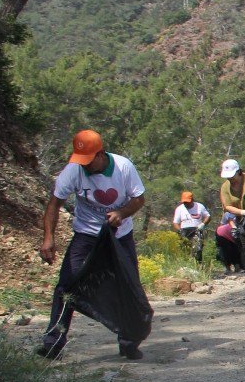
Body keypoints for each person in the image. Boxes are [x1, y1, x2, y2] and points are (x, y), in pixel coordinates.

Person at [38, 130, 146, 360]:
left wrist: (122, 212)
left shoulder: (123, 167)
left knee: (128, 287)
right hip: (86, 235)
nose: (84, 166)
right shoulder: (74, 170)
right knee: (66, 285)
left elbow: (139, 199)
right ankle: (53, 342)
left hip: (119, 236)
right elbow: (55, 203)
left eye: (88, 161)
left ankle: (129, 343)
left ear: (100, 154)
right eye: (81, 160)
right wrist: (49, 237)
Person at [172, 191, 210, 262]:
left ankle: (198, 265)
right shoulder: (179, 209)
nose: (186, 203)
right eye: (184, 202)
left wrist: (203, 224)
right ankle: (187, 264)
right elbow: (175, 222)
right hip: (184, 231)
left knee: (198, 249)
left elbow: (208, 216)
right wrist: (180, 231)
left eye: (187, 202)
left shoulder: (200, 206)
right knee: (185, 249)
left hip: (197, 229)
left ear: (192, 200)